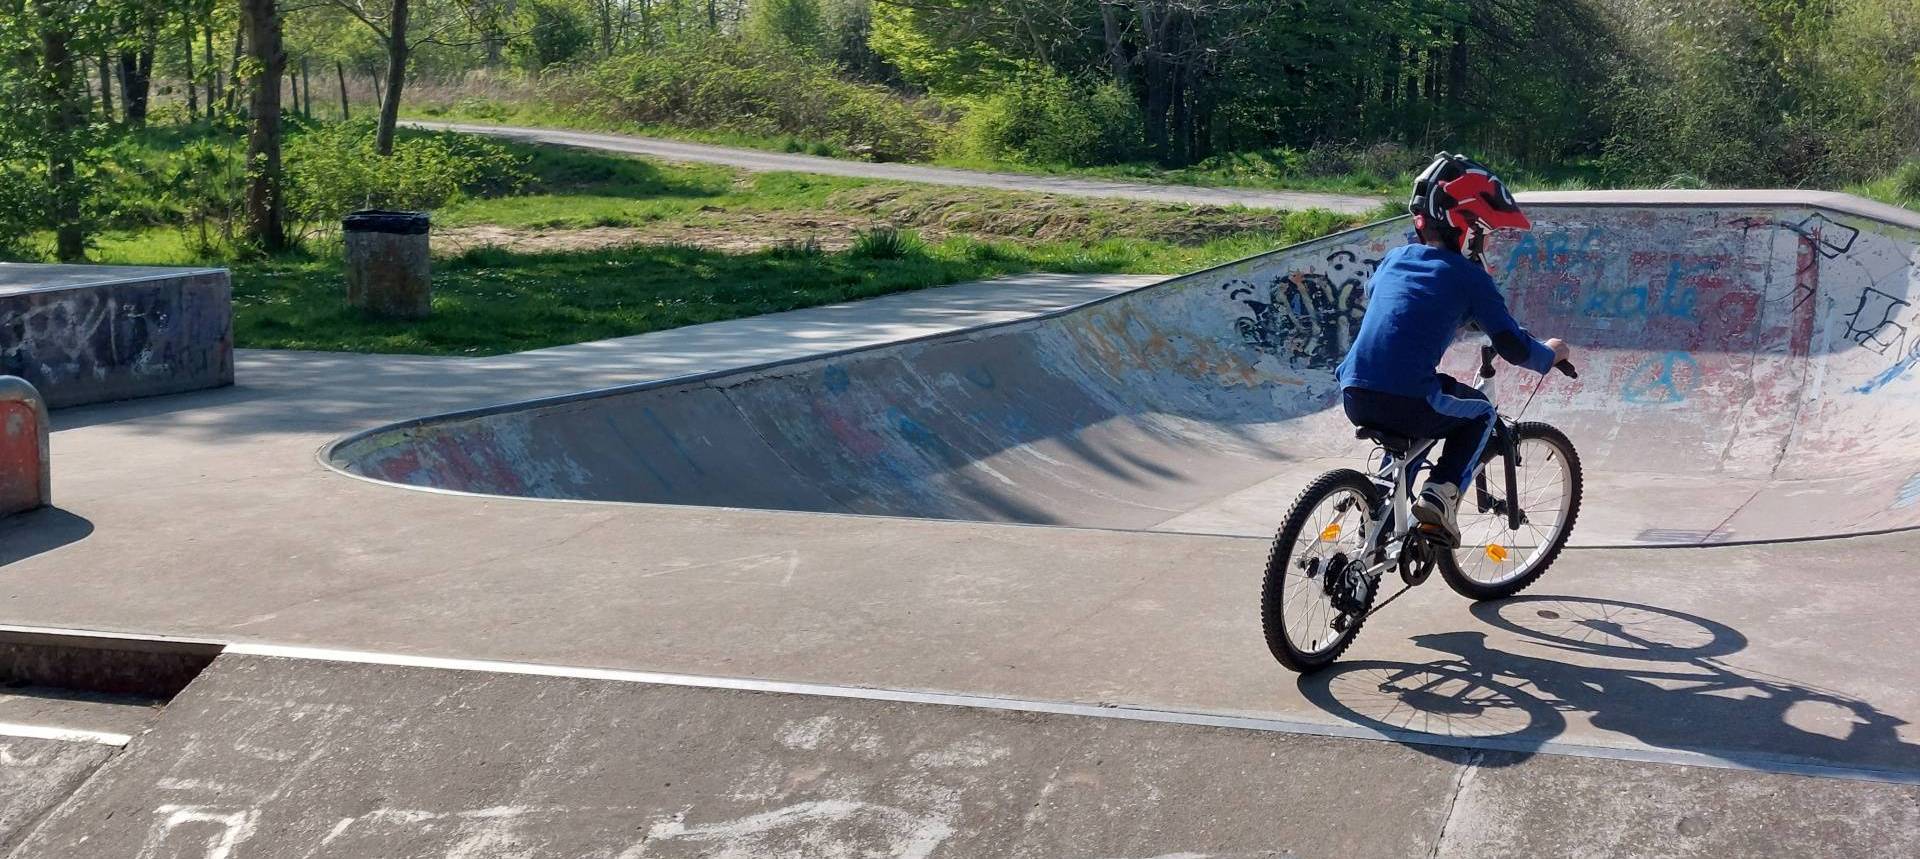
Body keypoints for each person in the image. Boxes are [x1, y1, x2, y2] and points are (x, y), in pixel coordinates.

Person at [1335, 153, 1572, 545]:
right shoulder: (1469, 278)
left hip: (1354, 390)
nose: (1485, 242)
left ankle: (1377, 516)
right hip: (1408, 397)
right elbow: (1512, 346)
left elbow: (1402, 304)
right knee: (1479, 413)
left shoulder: (1395, 259)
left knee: (1410, 422)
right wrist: (1550, 353)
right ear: (1468, 228)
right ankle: (1440, 496)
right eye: (1483, 232)